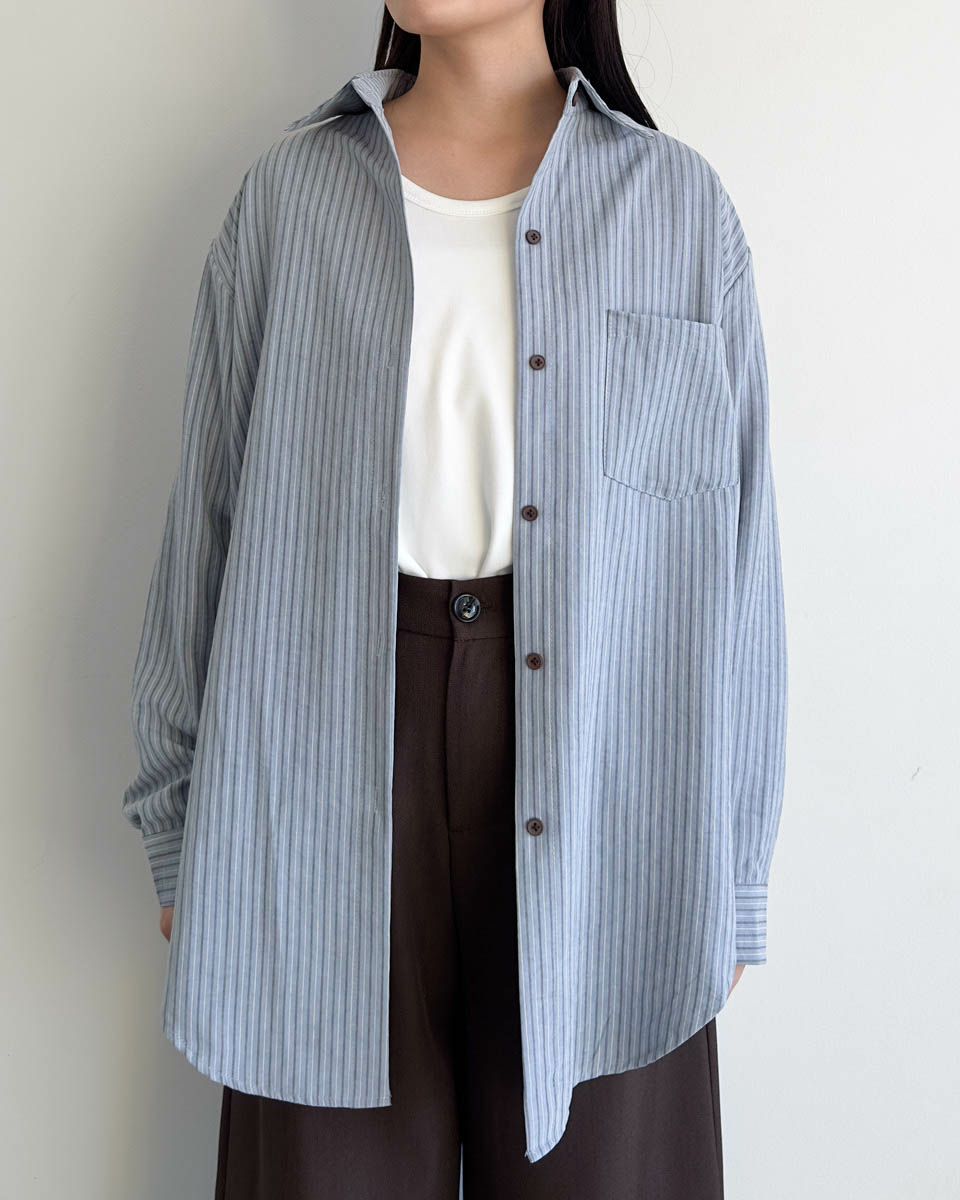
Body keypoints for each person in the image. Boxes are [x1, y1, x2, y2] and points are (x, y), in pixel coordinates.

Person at [121, 2, 788, 1196]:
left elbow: (735, 567)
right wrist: (180, 829)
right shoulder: (292, 199)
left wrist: (732, 875)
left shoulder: (677, 210)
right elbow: (209, 520)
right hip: (316, 776)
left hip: (613, 791)